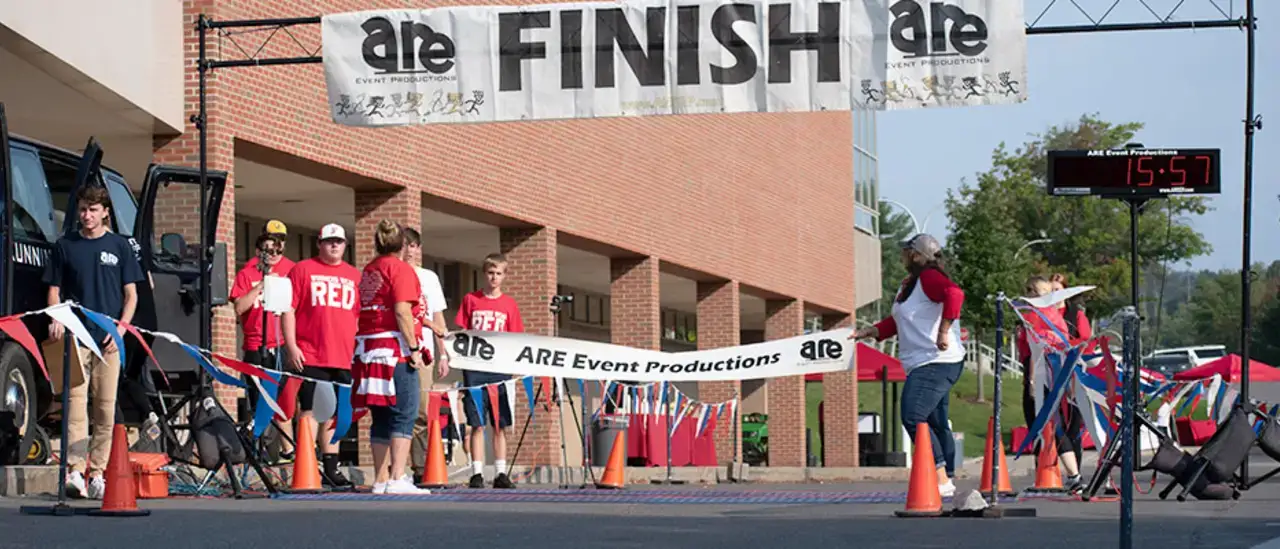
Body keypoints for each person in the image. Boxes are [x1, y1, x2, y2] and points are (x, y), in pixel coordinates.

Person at [43, 184, 145, 499]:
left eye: (93, 210)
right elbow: (54, 289)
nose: (87, 216)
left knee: (104, 407)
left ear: (105, 213)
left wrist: (122, 330)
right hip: (77, 335)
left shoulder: (120, 246)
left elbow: (132, 295)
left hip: (109, 338)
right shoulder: (65, 245)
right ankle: (75, 470)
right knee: (75, 404)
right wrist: (56, 317)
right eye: (83, 210)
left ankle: (98, 472)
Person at [850, 233, 964, 497]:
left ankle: (940, 480)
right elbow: (898, 322)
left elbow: (955, 294)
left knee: (912, 415)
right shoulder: (911, 284)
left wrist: (943, 331)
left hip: (936, 361)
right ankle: (947, 476)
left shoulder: (929, 277)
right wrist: (870, 332)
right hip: (926, 362)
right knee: (936, 421)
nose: (902, 257)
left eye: (905, 253)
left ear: (916, 255)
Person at [351, 221, 447, 494]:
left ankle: (381, 478)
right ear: (403, 246)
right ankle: (397, 476)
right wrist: (414, 348)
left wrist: (428, 325)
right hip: (395, 350)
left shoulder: (369, 270)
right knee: (404, 412)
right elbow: (403, 311)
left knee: (380, 414)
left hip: (368, 349)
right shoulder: (401, 270)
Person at [282, 223, 360, 489]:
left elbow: (360, 317)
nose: (334, 245)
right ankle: (306, 465)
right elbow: (288, 310)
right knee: (310, 410)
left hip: (343, 355)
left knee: (336, 413)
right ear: (319, 244)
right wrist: (291, 345)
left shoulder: (354, 276)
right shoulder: (302, 270)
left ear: (345, 245)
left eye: (338, 241)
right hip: (311, 353)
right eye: (329, 241)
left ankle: (331, 467)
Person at [455, 253, 523, 489]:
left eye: (498, 273)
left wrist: (513, 367)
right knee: (477, 422)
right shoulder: (471, 300)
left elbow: (515, 338)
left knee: (499, 422)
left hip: (500, 369)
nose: (494, 277)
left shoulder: (509, 305)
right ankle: (476, 472)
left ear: (504, 276)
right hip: (475, 369)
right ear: (485, 274)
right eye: (491, 273)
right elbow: (461, 333)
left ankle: (501, 472)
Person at [230, 226, 296, 455]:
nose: (271, 254)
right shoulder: (246, 275)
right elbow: (238, 307)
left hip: (278, 346)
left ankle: (283, 450)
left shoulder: (289, 273)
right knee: (257, 399)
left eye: (276, 250)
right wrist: (260, 286)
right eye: (266, 250)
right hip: (254, 345)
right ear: (258, 251)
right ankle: (257, 448)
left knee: (278, 400)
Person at [1017, 275, 1084, 491]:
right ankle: (1063, 475)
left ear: (1032, 294)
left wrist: (1032, 381)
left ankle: (1070, 475)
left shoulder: (1034, 317)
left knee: (1044, 423)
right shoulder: (1054, 315)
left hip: (1042, 371)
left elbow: (1036, 348)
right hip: (1057, 372)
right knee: (1053, 424)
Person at [400, 228, 451, 479]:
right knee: (397, 409)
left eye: (414, 246)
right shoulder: (393, 272)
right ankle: (393, 469)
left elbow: (437, 317)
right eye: (406, 245)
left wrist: (444, 354)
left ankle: (420, 467)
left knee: (421, 410)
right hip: (396, 350)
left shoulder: (429, 277)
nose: (410, 250)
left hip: (425, 353)